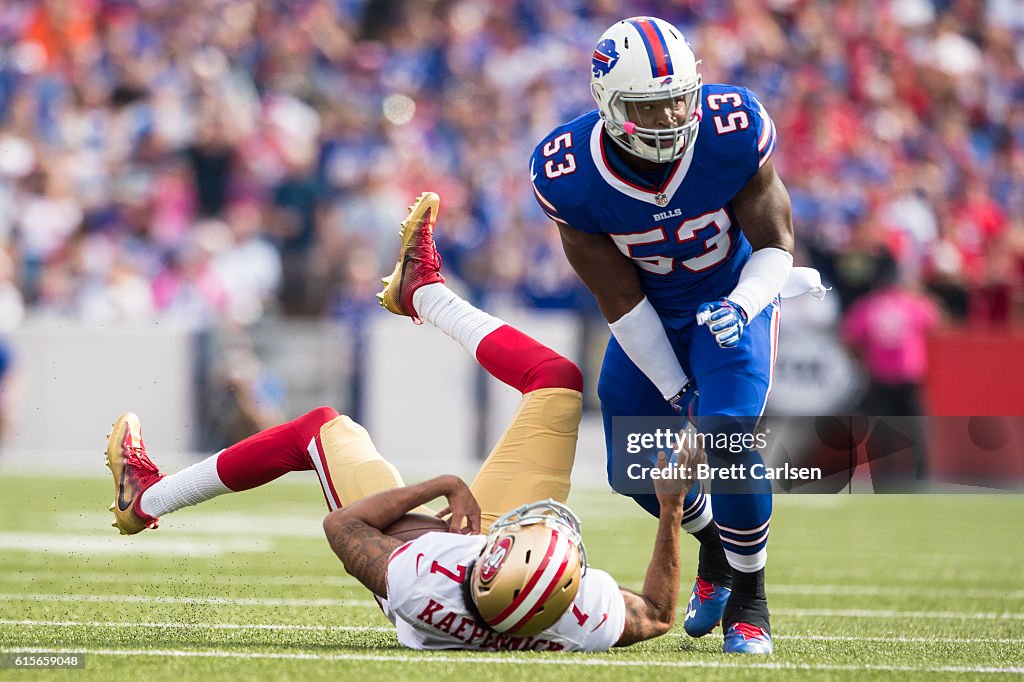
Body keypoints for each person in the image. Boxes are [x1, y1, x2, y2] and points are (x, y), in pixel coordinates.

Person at [105, 192, 700, 652]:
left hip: (424, 555)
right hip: (499, 578)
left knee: (319, 427)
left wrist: (441, 485)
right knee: (557, 382)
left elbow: (343, 527)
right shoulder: (572, 612)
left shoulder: (425, 574)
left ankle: (148, 499)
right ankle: (423, 293)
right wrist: (671, 509)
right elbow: (656, 613)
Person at [530, 16, 825, 654]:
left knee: (724, 438)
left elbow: (777, 245)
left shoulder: (730, 130)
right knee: (635, 470)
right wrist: (675, 388)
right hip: (649, 319)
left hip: (729, 303)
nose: (669, 118)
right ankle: (717, 551)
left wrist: (746, 306)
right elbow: (619, 298)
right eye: (648, 106)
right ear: (608, 104)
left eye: (677, 99)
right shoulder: (569, 172)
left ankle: (751, 601)